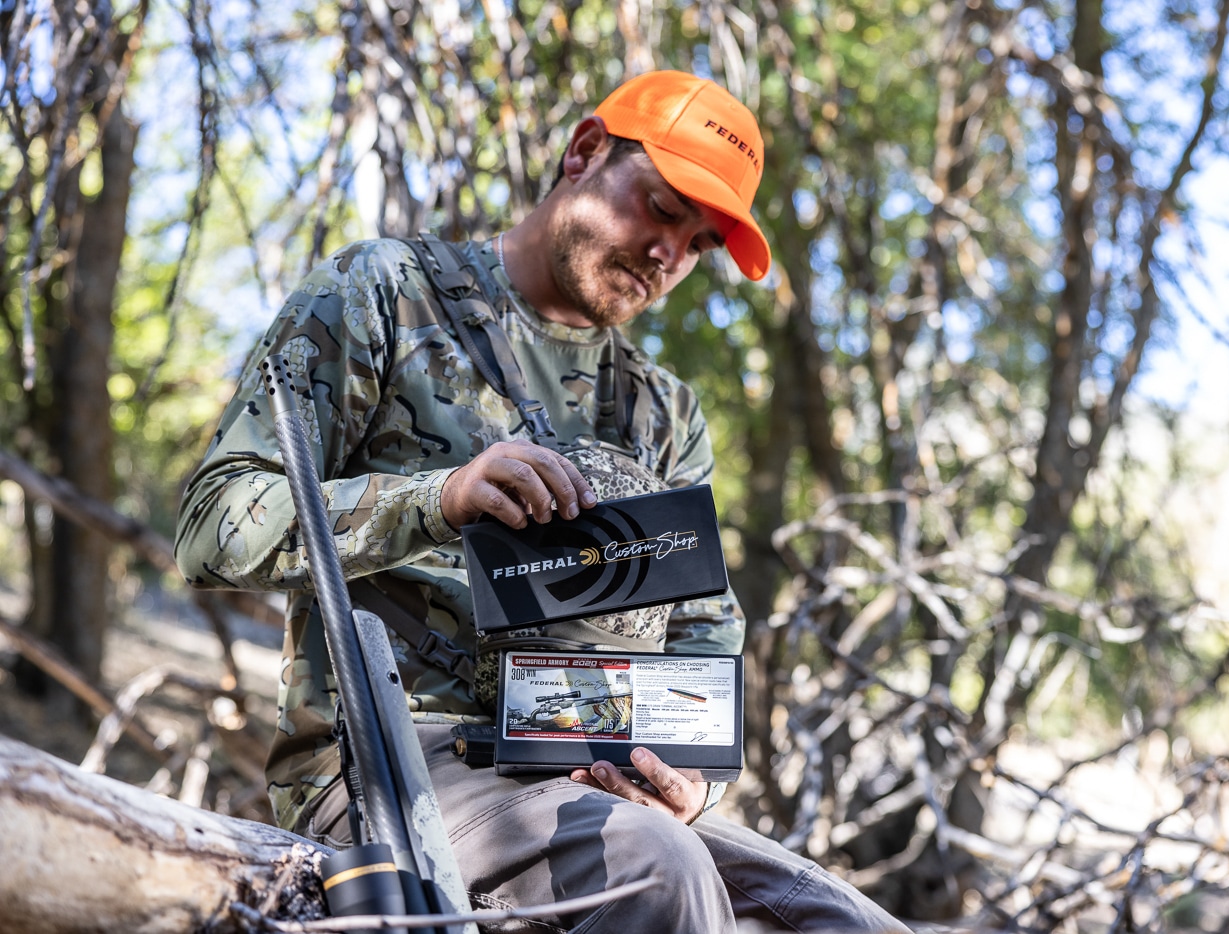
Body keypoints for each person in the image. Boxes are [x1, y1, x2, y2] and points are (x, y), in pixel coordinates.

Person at [176, 70, 910, 933]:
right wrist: (437, 499)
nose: (670, 254)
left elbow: (705, 636)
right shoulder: (384, 293)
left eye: (701, 244)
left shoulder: (662, 411)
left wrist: (687, 776)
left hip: (589, 777)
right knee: (656, 872)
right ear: (585, 151)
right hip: (388, 764)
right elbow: (211, 525)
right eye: (665, 206)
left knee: (845, 922)